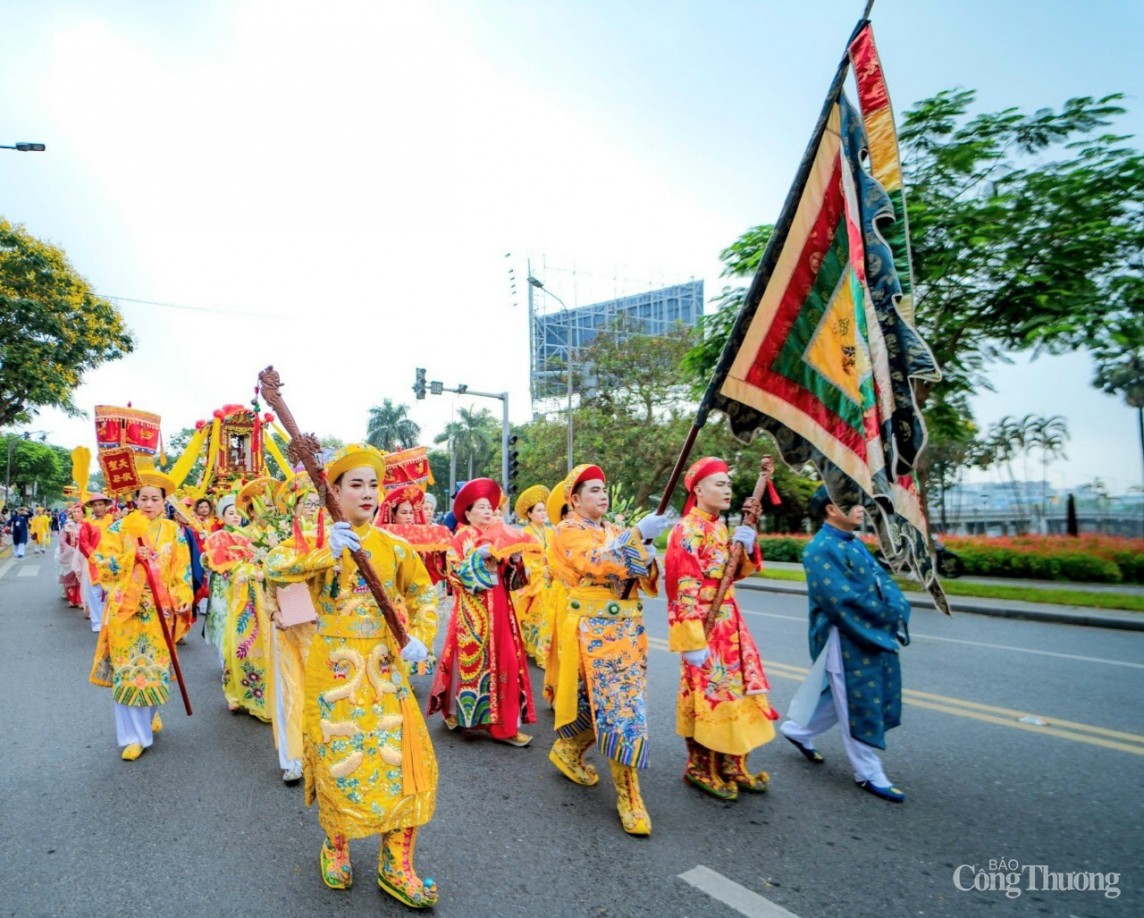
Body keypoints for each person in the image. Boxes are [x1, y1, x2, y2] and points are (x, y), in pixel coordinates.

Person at [265, 444, 441, 908]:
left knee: (407, 763)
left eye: (373, 484)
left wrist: (419, 635)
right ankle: (336, 844)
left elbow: (423, 594)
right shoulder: (316, 540)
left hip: (385, 670)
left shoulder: (395, 547)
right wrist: (326, 552)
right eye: (355, 484)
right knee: (339, 759)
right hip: (335, 669)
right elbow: (273, 567)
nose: (367, 493)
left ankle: (396, 864)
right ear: (335, 493)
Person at [547, 464, 669, 836]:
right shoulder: (567, 531)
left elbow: (642, 578)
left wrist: (646, 553)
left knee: (594, 704)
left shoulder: (613, 530)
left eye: (604, 490)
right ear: (575, 498)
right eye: (594, 490)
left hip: (628, 630)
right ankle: (629, 797)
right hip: (594, 633)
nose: (603, 495)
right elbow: (596, 563)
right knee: (623, 711)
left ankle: (567, 750)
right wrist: (636, 539)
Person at [780, 486, 912, 803]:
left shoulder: (853, 544)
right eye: (851, 502)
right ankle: (868, 773)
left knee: (841, 698)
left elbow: (884, 582)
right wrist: (884, 616)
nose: (861, 507)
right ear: (830, 509)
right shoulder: (818, 549)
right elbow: (842, 600)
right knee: (856, 701)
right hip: (842, 637)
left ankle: (797, 731)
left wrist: (896, 608)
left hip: (864, 630)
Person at [665, 457, 778, 800]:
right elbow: (681, 586)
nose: (727, 489)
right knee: (708, 694)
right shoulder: (685, 530)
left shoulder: (720, 526)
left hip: (731, 623)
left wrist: (747, 542)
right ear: (698, 489)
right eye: (719, 484)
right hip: (704, 624)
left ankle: (732, 764)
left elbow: (736, 572)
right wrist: (691, 639)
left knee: (740, 692)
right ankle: (700, 767)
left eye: (729, 484)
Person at [89, 463, 193, 760]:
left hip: (161, 612)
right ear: (135, 499)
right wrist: (130, 557)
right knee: (129, 673)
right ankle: (134, 737)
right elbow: (99, 563)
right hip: (126, 611)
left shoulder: (175, 531)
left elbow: (182, 571)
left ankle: (149, 716)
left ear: (164, 502)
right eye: (143, 498)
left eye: (155, 499)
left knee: (154, 671)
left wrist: (183, 595)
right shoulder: (117, 529)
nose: (149, 504)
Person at [428, 478, 537, 747]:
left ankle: (507, 724)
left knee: (507, 661)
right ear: (467, 512)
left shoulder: (503, 534)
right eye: (481, 507)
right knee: (470, 662)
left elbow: (514, 581)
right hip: (473, 610)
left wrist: (514, 561)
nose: (488, 511)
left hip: (501, 606)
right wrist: (480, 556)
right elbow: (453, 575)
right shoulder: (460, 538)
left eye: (491, 507)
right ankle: (460, 713)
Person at [266, 473, 322, 784]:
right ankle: (293, 758)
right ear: (294, 508)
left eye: (317, 502)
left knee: (323, 689)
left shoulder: (331, 541)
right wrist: (274, 613)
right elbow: (269, 586)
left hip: (322, 628)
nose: (312, 509)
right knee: (292, 689)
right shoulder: (278, 544)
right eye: (306, 503)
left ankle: (321, 752)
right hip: (289, 627)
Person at [203, 487, 273, 720]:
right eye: (229, 512)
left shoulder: (262, 534)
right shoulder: (225, 537)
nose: (234, 515)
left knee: (266, 648)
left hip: (265, 597)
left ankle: (262, 697)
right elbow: (221, 565)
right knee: (238, 646)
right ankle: (237, 694)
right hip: (240, 597)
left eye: (236, 512)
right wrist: (245, 571)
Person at [511, 484, 556, 667]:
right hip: (534, 579)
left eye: (544, 510)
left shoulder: (551, 532)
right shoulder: (524, 534)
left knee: (548, 616)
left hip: (550, 577)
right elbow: (524, 560)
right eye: (539, 510)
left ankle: (544, 649)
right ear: (529, 514)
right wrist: (539, 570)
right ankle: (533, 646)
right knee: (534, 615)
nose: (543, 513)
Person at [78, 494, 115, 630]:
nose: (98, 508)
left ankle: (110, 619)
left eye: (101, 504)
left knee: (112, 590)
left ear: (106, 505)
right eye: (95, 505)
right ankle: (97, 621)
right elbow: (83, 543)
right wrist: (95, 557)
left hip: (113, 561)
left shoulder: (113, 520)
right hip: (95, 562)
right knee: (95, 592)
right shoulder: (87, 523)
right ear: (91, 507)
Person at [56, 504, 85, 609]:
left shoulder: (87, 525)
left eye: (79, 512)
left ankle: (83, 600)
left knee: (82, 576)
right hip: (71, 554)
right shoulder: (68, 526)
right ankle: (74, 599)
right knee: (72, 576)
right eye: (74, 512)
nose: (76, 514)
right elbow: (62, 541)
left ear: (84, 513)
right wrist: (71, 550)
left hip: (84, 554)